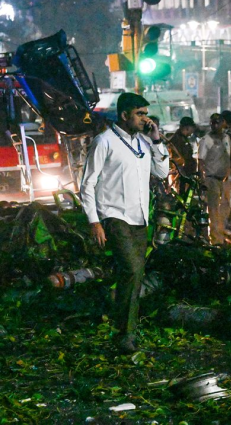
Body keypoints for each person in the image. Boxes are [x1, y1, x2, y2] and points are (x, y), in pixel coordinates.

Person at [80, 93, 169, 353]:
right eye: (140, 114)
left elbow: (162, 172)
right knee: (131, 269)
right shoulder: (104, 141)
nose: (145, 119)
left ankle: (124, 328)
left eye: (146, 114)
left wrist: (157, 140)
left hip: (139, 217)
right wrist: (94, 221)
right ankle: (125, 334)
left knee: (134, 274)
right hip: (114, 216)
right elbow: (87, 184)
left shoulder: (143, 142)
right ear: (124, 115)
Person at [198, 113, 231, 245]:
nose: (215, 125)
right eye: (213, 123)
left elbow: (228, 157)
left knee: (224, 208)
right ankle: (215, 239)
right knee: (213, 210)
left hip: (224, 179)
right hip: (211, 178)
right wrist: (202, 180)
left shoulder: (227, 138)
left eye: (218, 122)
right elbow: (200, 161)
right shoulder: (206, 140)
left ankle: (220, 235)